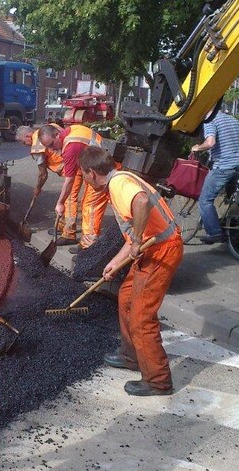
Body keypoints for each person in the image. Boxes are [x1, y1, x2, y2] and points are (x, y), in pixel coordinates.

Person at [78, 146, 183, 396]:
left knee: (141, 317)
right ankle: (131, 356)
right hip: (151, 249)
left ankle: (158, 381)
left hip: (162, 251)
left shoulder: (120, 184)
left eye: (83, 175)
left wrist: (136, 241)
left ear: (92, 173)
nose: (83, 180)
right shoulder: (120, 181)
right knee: (126, 297)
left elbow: (142, 202)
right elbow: (134, 231)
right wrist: (116, 261)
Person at [38, 124, 108, 252]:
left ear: (57, 135)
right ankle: (72, 234)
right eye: (48, 147)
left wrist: (59, 203)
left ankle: (89, 248)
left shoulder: (70, 147)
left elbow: (69, 180)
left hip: (103, 170)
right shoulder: (72, 131)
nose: (52, 150)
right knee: (82, 200)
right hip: (93, 165)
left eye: (52, 145)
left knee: (90, 206)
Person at [190, 107, 239, 244]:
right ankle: (234, 233)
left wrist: (197, 147)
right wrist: (238, 151)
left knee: (205, 200)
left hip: (223, 167)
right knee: (234, 200)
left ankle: (215, 233)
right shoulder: (231, 119)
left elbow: (211, 142)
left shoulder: (210, 121)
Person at [15, 124, 64, 199]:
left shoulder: (36, 148)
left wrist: (38, 188)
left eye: (24, 142)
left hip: (68, 168)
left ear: (28, 136)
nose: (25, 145)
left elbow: (43, 175)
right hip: (77, 159)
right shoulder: (49, 128)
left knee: (70, 200)